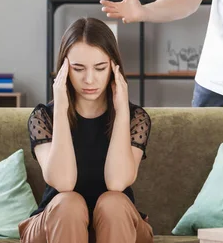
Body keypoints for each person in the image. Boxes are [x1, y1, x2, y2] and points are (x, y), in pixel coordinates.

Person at [18, 17, 154, 243]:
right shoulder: (43, 117)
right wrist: (60, 108)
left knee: (113, 202)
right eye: (78, 68)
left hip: (118, 225)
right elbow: (63, 183)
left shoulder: (135, 118)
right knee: (69, 203)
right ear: (64, 69)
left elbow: (117, 182)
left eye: (100, 68)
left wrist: (121, 111)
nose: (89, 79)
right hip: (56, 225)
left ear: (113, 67)